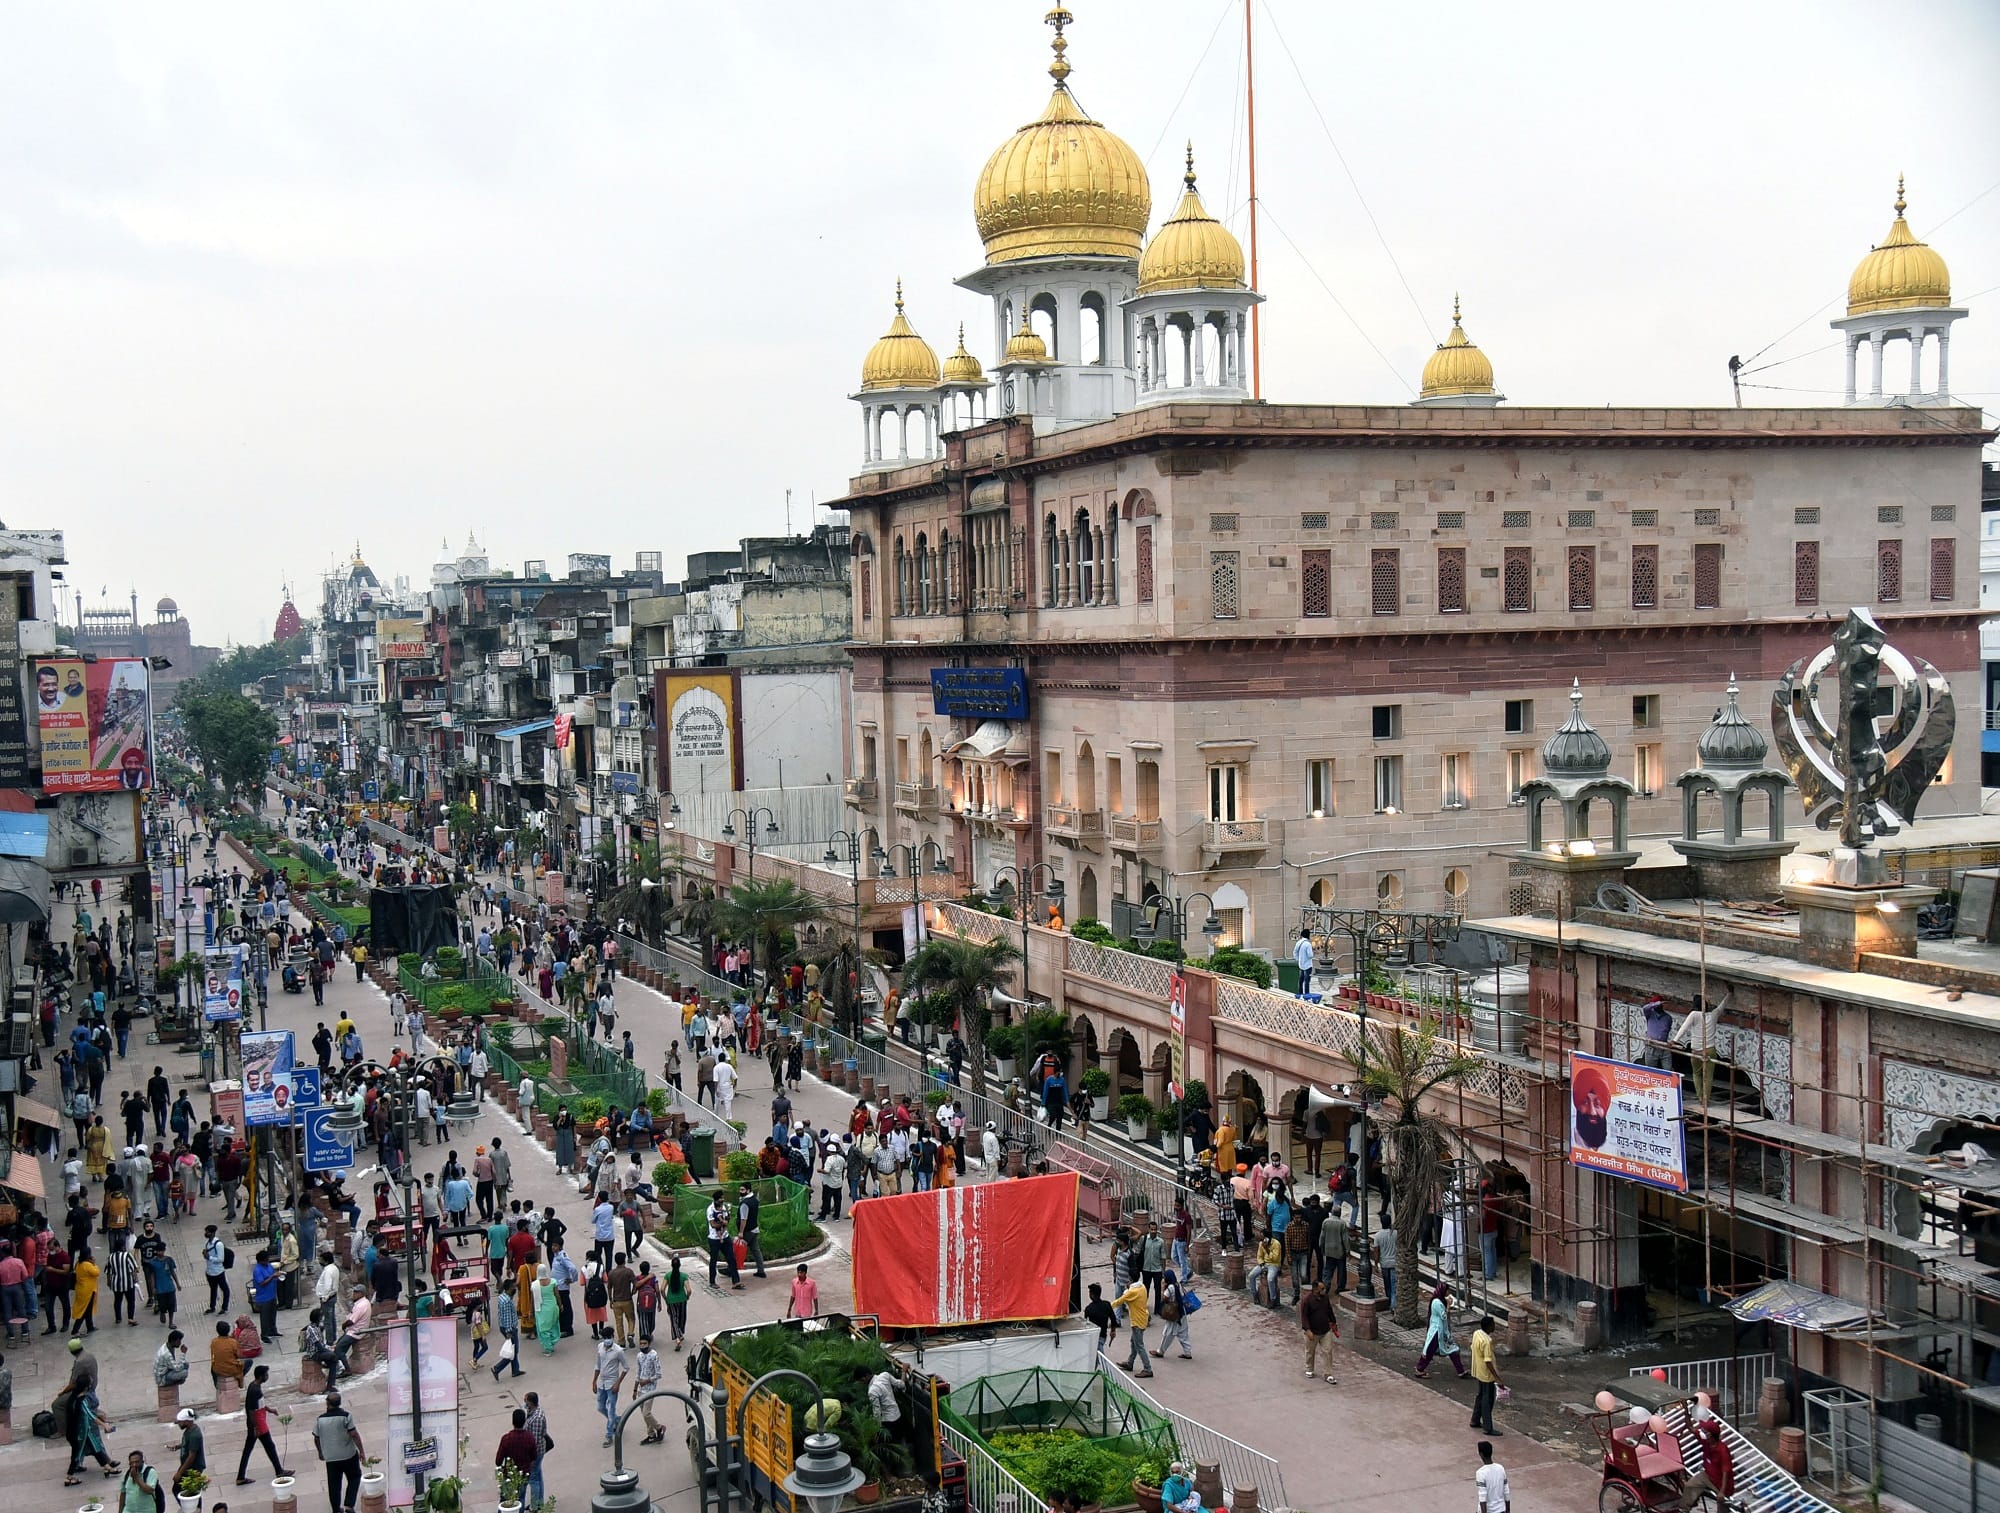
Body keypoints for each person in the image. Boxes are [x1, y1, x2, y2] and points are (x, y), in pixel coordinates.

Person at [236, 1363, 292, 1484]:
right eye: (266, 1374)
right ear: (261, 1376)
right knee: (269, 1447)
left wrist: (269, 1410)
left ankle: (241, 1476)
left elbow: (259, 1404)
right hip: (258, 1424)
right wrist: (255, 1427)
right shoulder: (254, 1389)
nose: (267, 1376)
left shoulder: (255, 1386)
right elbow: (251, 1410)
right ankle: (279, 1471)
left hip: (258, 1422)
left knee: (252, 1449)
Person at [313, 1391, 365, 1513]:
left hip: (331, 1457)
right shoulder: (346, 1416)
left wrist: (321, 1452)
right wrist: (361, 1451)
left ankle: (336, 1509)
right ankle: (349, 1505)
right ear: (339, 1403)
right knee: (355, 1477)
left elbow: (316, 1438)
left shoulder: (320, 1420)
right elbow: (354, 1434)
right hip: (348, 1455)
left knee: (334, 1484)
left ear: (327, 1403)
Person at [1675, 1417, 1734, 1511]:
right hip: (1707, 1475)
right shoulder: (1706, 1441)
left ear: (1710, 1434)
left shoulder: (1722, 1450)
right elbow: (1691, 1428)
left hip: (1720, 1482)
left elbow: (1725, 1472)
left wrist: (1722, 1492)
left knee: (1723, 1505)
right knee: (1690, 1485)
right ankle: (1684, 1509)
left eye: (1704, 1430)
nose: (1701, 1431)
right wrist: (1686, 1410)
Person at [1416, 1283, 1468, 1379]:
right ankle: (1420, 1369)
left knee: (1453, 1349)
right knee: (1429, 1350)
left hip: (1443, 1331)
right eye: (1447, 1291)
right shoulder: (1436, 1302)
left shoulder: (1441, 1300)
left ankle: (1460, 1370)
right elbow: (1443, 1316)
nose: (1448, 1293)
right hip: (1437, 1331)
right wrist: (1448, 1305)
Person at [1111, 1277, 1152, 1377]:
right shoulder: (1142, 1287)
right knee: (1134, 1343)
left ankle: (1147, 1368)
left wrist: (1106, 1307)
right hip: (1143, 1318)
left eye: (1128, 1281)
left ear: (1131, 1281)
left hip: (1136, 1321)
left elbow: (1119, 1301)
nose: (1126, 1283)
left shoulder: (1131, 1292)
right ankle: (1130, 1363)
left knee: (1139, 1346)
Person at [1469, 1315, 1504, 1435]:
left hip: (1478, 1370)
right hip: (1486, 1374)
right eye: (1493, 1325)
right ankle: (1488, 1427)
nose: (1494, 1327)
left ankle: (1475, 1420)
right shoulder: (1487, 1341)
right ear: (1489, 1327)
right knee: (1487, 1399)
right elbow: (1488, 1361)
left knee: (1480, 1395)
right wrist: (1497, 1378)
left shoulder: (1477, 1333)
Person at [592, 1334, 627, 1447]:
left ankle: (609, 1435)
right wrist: (594, 1381)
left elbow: (626, 1367)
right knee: (601, 1407)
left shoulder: (618, 1351)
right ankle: (618, 1420)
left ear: (612, 1337)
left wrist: (618, 1383)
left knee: (611, 1409)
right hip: (602, 1383)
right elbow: (598, 1365)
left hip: (612, 1384)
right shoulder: (600, 1347)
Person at [1300, 1280, 1338, 1383]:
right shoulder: (1307, 1300)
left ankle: (1328, 1373)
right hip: (1312, 1331)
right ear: (1315, 1289)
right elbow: (1304, 1316)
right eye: (1322, 1289)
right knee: (1310, 1351)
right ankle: (1309, 1368)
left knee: (1328, 1351)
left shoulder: (1325, 1298)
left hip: (1325, 1330)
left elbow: (1329, 1310)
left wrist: (1333, 1322)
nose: (1324, 1290)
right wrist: (1307, 1330)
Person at [633, 1336, 666, 1444]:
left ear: (649, 1343)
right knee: (644, 1414)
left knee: (646, 1413)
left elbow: (658, 1374)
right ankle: (651, 1435)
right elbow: (638, 1372)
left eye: (644, 1343)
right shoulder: (639, 1356)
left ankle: (659, 1427)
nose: (642, 1345)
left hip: (650, 1389)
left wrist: (647, 1381)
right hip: (640, 1389)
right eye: (641, 1343)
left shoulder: (654, 1355)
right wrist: (635, 1388)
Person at [705, 1196, 742, 1290]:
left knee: (732, 1258)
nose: (722, 1207)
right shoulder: (710, 1210)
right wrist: (723, 1223)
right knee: (713, 1260)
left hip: (725, 1236)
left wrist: (725, 1222)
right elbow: (713, 1224)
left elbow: (727, 1220)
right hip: (714, 1238)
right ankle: (712, 1281)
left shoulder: (724, 1207)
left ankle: (736, 1281)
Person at [1153, 1270, 1192, 1360]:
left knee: (1167, 1333)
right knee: (1183, 1333)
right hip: (1182, 1312)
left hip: (1173, 1314)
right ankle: (1187, 1352)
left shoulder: (1170, 1287)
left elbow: (1164, 1298)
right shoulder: (1178, 1284)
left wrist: (1162, 1288)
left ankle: (1160, 1351)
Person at [116, 1449, 161, 1513]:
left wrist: (136, 1478)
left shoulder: (150, 1472)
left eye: (137, 1462)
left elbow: (150, 1490)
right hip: (129, 1510)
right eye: (132, 1463)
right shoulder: (127, 1475)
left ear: (142, 1462)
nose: (134, 1465)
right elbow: (123, 1493)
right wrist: (120, 1511)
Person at [1475, 1440, 1510, 1513]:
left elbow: (1482, 1497)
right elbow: (1506, 1491)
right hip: (1501, 1509)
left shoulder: (1481, 1473)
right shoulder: (1501, 1468)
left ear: (1481, 1454)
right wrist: (1508, 1511)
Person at [664, 1257, 690, 1351]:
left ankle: (678, 1338)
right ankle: (680, 1333)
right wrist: (687, 1297)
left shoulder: (667, 1275)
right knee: (681, 1318)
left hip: (671, 1300)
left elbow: (662, 1289)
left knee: (673, 1319)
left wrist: (666, 1299)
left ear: (671, 1265)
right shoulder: (683, 1276)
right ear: (679, 1265)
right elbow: (689, 1290)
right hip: (682, 1299)